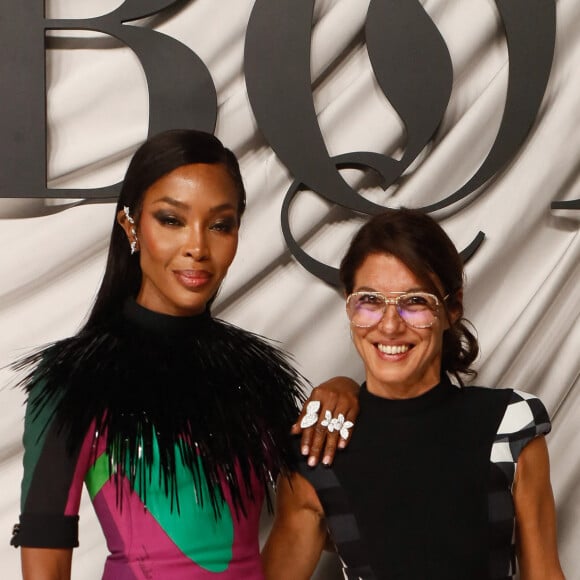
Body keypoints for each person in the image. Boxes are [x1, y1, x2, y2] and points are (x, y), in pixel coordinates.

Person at [10, 129, 359, 579]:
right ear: (131, 226)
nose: (197, 247)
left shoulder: (256, 374)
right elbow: (45, 557)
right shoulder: (72, 380)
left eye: (219, 224)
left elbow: (308, 504)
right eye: (172, 220)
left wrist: (343, 389)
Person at [262, 208, 565, 580]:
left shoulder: (511, 423)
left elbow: (545, 574)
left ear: (451, 308)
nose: (390, 326)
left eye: (415, 301)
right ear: (349, 303)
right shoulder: (318, 449)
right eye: (370, 300)